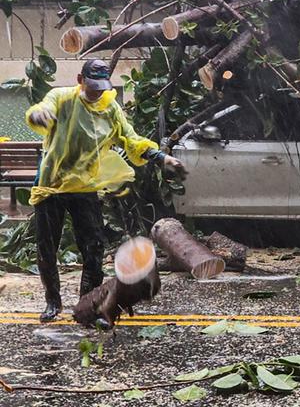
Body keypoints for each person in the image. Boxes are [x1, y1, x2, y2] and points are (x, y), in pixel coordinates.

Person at [26, 58, 184, 323]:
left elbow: (130, 139)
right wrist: (38, 115)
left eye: (101, 87)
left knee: (94, 246)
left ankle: (88, 305)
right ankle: (52, 302)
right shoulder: (62, 98)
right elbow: (41, 109)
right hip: (51, 185)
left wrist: (162, 158)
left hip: (85, 187)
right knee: (47, 247)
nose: (96, 92)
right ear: (80, 80)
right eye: (92, 87)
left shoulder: (109, 107)